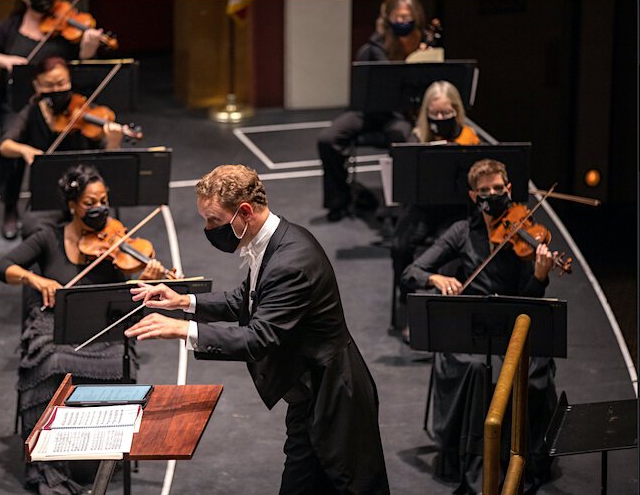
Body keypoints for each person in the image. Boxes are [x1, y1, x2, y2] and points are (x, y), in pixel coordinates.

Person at [124, 165, 390, 494]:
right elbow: (246, 299)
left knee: (352, 487)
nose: (208, 229)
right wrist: (185, 302)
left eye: (214, 221)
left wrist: (183, 330)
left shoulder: (290, 262)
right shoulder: (270, 242)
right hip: (306, 393)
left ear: (244, 212)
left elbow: (258, 338)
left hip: (336, 399)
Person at [0, 164, 164, 493]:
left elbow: (126, 299)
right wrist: (33, 277)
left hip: (101, 328)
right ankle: (48, 461)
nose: (99, 208)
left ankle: (100, 448)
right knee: (50, 362)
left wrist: (144, 279)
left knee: (120, 359)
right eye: (89, 202)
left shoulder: (118, 239)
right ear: (72, 204)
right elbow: (2, 267)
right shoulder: (48, 237)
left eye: (103, 199)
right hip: (55, 325)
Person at [401, 159, 558, 494]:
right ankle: (474, 463)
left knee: (522, 375)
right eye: (484, 191)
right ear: (474, 196)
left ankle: (518, 461)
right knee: (475, 369)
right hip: (472, 331)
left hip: (516, 327)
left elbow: (529, 301)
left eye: (498, 189)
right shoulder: (461, 231)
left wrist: (541, 276)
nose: (492, 195)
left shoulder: (526, 231)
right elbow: (412, 271)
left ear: (509, 190)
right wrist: (436, 277)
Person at [0, 0, 107, 239]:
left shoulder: (66, 27)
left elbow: (82, 67)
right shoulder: (11, 27)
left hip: (57, 103)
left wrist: (89, 48)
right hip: (17, 105)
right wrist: (3, 59)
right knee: (11, 156)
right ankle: (10, 208)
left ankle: (65, 204)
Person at [318, 0, 430, 222]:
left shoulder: (425, 43)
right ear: (388, 17)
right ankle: (339, 198)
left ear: (415, 17)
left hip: (398, 115)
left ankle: (403, 206)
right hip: (366, 112)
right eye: (397, 16)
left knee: (403, 138)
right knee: (327, 139)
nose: (402, 21)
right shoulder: (375, 46)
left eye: (406, 17)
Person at [387, 80, 481, 333]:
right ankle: (407, 301)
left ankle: (437, 312)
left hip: (455, 210)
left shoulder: (470, 139)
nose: (440, 118)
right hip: (423, 209)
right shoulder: (416, 137)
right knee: (399, 246)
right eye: (434, 114)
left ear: (457, 111)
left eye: (446, 113)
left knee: (447, 255)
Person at [0, 55, 125, 237]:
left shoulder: (84, 109)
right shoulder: (32, 112)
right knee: (33, 229)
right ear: (37, 86)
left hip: (87, 192)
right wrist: (24, 150)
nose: (56, 90)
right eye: (49, 85)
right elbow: (4, 145)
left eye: (61, 83)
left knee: (106, 229)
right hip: (49, 192)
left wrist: (114, 140)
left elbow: (110, 157)